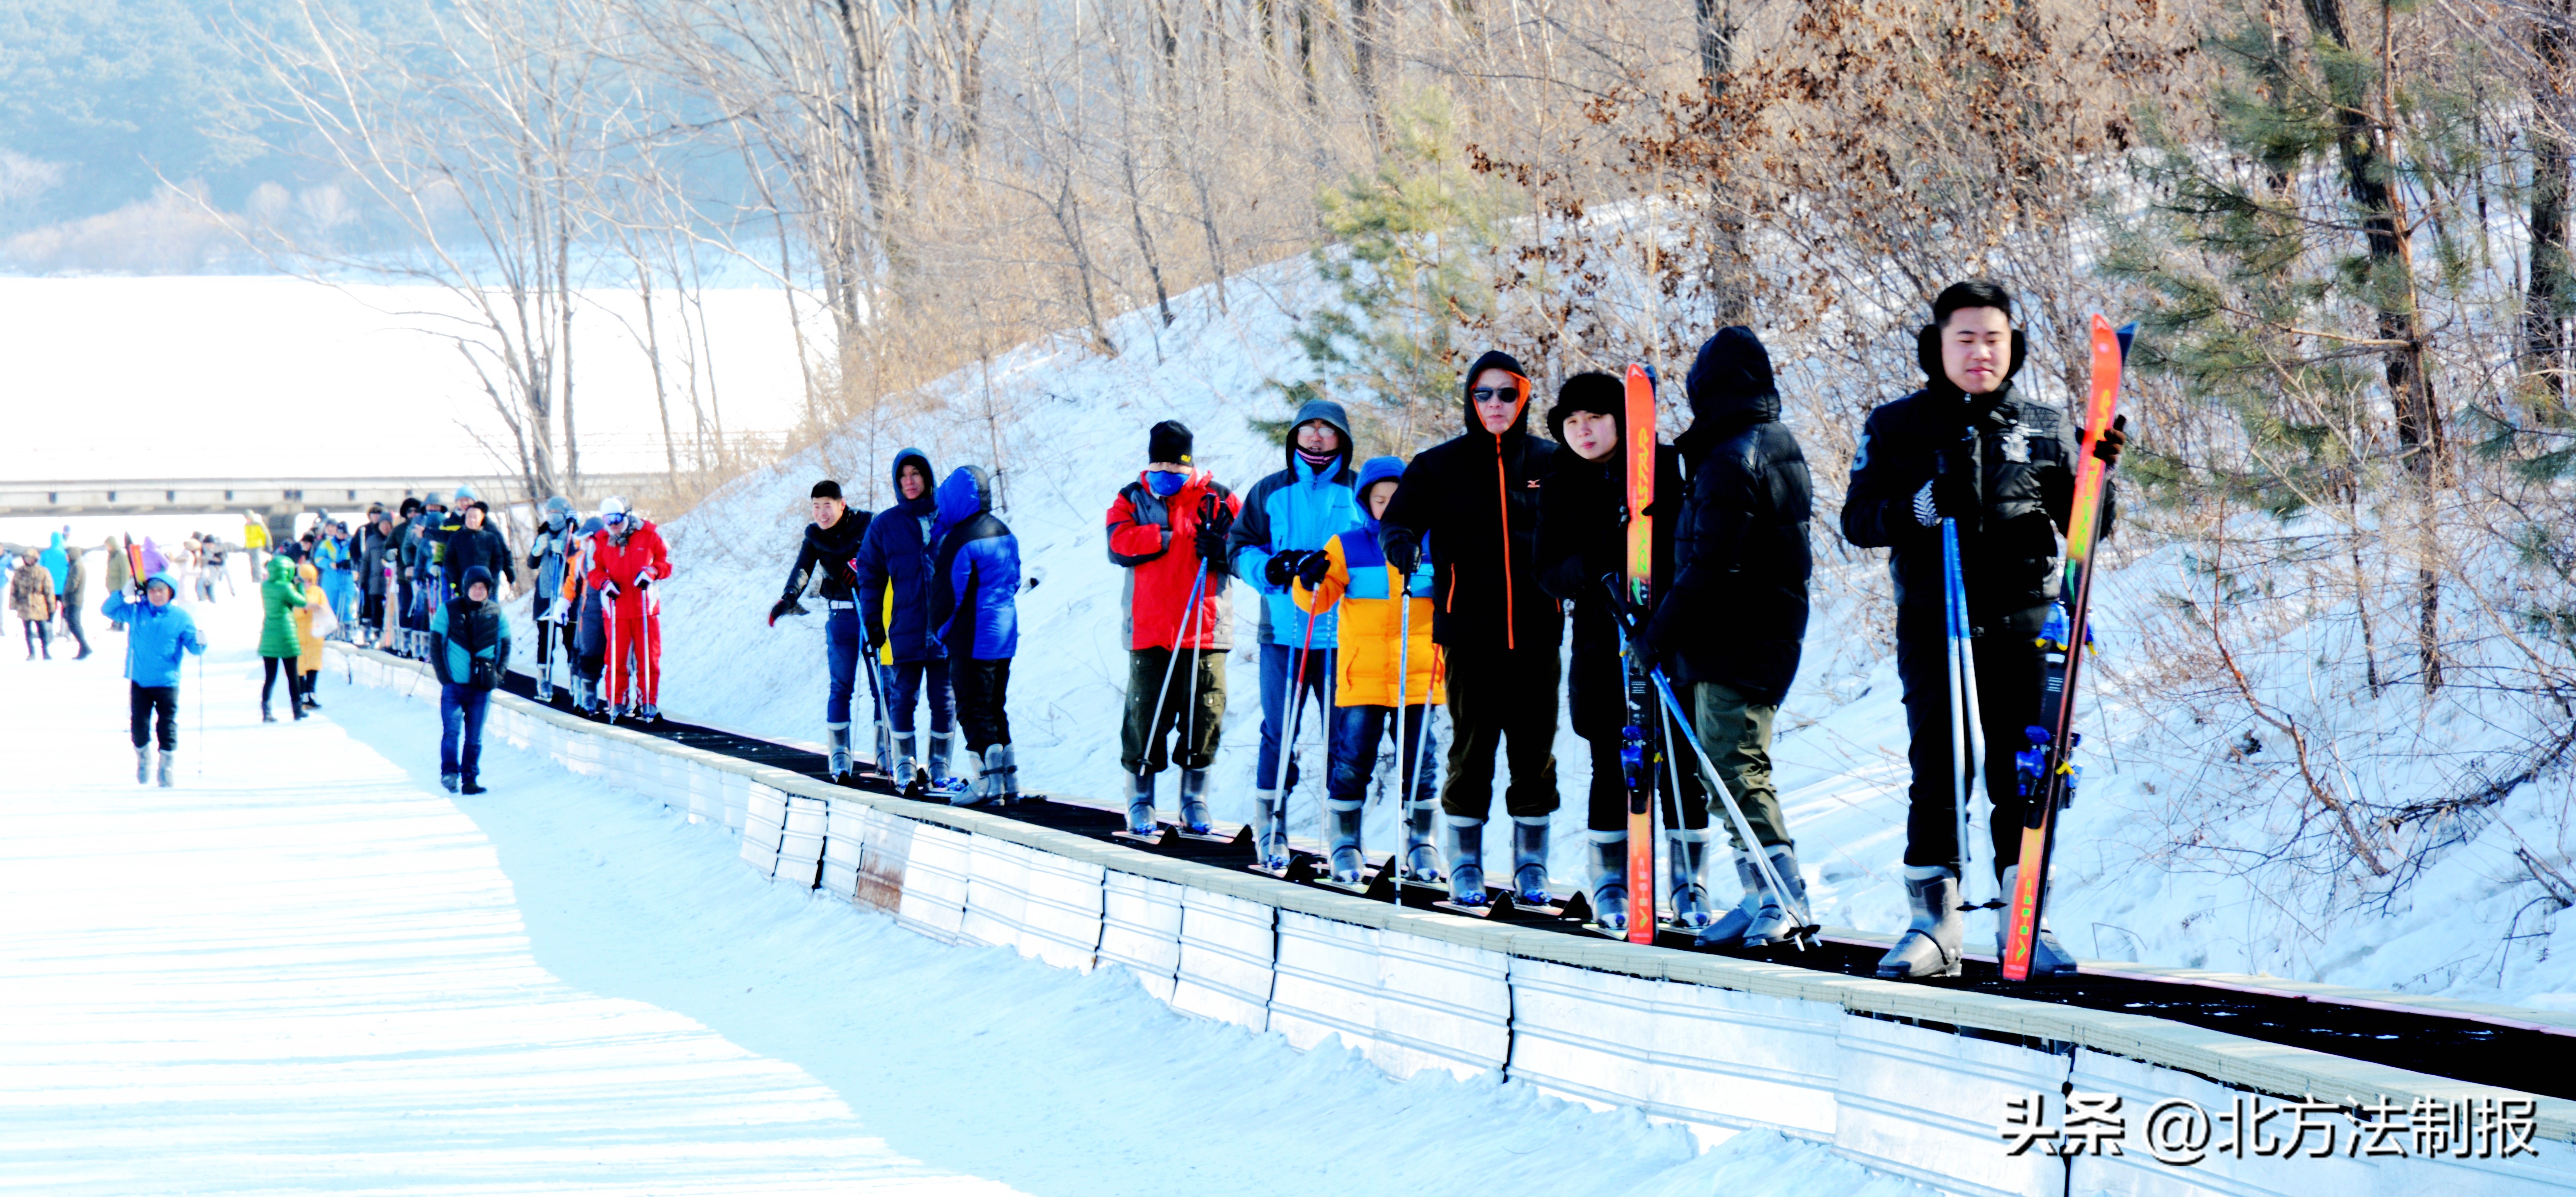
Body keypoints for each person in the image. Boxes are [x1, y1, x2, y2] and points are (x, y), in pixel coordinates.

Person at [1840, 279, 2127, 980]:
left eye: (1993, 339)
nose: (1980, 352)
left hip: (2025, 617)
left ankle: (2025, 917)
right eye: (1965, 338)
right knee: (1937, 768)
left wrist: (2097, 474)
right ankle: (1933, 924)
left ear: (2013, 346)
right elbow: (1858, 519)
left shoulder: (2042, 425)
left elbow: (2091, 527)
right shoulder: (1897, 425)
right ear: (1936, 346)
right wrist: (1920, 505)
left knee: (2024, 771)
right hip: (1936, 619)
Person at [1638, 328, 1819, 946]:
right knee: (1723, 767)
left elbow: (1713, 564)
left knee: (1735, 765)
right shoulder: (1769, 444)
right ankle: (1756, 890)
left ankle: (1782, 894)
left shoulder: (1732, 457)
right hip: (1754, 631)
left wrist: (1656, 633)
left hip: (1738, 635)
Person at [1377, 350, 1564, 906]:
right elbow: (1398, 518)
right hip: (1468, 633)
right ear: (1470, 401)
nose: (1495, 405)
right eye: (1483, 394)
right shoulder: (1440, 465)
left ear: (1523, 397)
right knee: (1472, 749)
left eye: (1506, 393)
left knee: (1534, 751)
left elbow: (1588, 519)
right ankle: (1465, 862)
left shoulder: (1551, 461)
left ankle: (1530, 864)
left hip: (1537, 630)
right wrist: (1402, 545)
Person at [1537, 371, 1710, 931]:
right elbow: (1547, 574)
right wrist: (1595, 560)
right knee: (1612, 765)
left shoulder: (1668, 468)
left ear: (1623, 420)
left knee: (1680, 767)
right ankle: (1612, 881)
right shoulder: (1559, 484)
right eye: (1571, 422)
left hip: (1671, 634)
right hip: (1599, 642)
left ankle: (1689, 884)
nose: (1582, 431)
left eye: (1594, 419)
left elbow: (1697, 541)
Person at [1292, 456, 1444, 884]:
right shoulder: (1348, 546)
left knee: (1421, 761)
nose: (1388, 507)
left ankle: (1422, 843)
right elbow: (1316, 602)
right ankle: (1345, 842)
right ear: (1366, 504)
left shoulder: (1433, 543)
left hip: (1418, 672)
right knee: (1353, 759)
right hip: (1364, 674)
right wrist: (1309, 580)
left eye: (1397, 499)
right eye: (1380, 500)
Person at [1226, 398, 1361, 868]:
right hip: (1283, 632)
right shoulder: (1270, 491)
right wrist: (1270, 566)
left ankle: (1343, 834)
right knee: (1278, 731)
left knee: (1344, 738)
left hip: (1345, 635)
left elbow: (1382, 544)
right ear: (1296, 436)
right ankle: (1271, 824)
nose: (1318, 438)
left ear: (1341, 438)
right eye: (1310, 429)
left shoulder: (1359, 489)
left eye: (1327, 430)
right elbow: (1237, 547)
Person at [1106, 421, 1242, 840]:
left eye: (1176, 462)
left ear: (1190, 460)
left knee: (1205, 714)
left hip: (1204, 628)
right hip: (1150, 628)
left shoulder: (1218, 497)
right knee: (1145, 715)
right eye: (1160, 460)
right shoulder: (1132, 496)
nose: (1168, 469)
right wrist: (1164, 536)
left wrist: (1221, 551)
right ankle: (1141, 798)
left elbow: (1244, 548)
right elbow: (1116, 543)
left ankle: (1194, 797)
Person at [855, 450, 953, 788]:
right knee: (903, 697)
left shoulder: (948, 517)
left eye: (915, 474)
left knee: (945, 699)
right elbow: (869, 576)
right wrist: (872, 621)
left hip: (944, 628)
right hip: (905, 628)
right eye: (903, 476)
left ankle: (940, 764)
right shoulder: (885, 525)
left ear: (927, 478)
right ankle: (905, 764)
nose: (909, 482)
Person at [769, 480, 877, 782]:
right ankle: (840, 755)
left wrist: (861, 566)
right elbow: (802, 569)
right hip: (840, 616)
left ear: (842, 504)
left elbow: (884, 555)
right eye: (816, 507)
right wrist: (789, 597)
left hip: (872, 615)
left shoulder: (867, 523)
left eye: (827, 506)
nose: (821, 513)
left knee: (882, 685)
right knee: (841, 686)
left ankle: (886, 752)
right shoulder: (814, 535)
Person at [930, 466, 1022, 805]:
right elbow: (1013, 580)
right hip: (1005, 633)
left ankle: (986, 784)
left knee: (972, 708)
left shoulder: (960, 539)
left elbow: (948, 594)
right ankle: (1008, 781)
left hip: (972, 635)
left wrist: (940, 631)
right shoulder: (1003, 530)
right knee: (995, 706)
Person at [103, 571, 205, 787]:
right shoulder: (137, 612)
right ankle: (143, 758)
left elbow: (195, 648)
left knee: (166, 725)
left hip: (168, 681)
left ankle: (166, 766)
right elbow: (108, 610)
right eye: (152, 591)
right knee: (139, 725)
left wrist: (201, 641)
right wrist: (123, 593)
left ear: (170, 593)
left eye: (161, 591)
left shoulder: (180, 617)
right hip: (140, 679)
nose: (156, 595)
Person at [586, 496, 672, 723]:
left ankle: (647, 702)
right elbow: (594, 571)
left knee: (649, 658)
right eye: (608, 519)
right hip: (616, 610)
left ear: (625, 515)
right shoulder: (601, 540)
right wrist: (605, 583)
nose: (613, 524)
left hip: (645, 607)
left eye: (616, 518)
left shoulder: (648, 533)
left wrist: (652, 572)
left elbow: (665, 562)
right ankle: (618, 702)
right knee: (616, 659)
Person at [430, 564, 510, 794]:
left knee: (475, 737)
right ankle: (449, 773)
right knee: (452, 732)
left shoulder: (496, 612)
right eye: (474, 586)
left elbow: (505, 644)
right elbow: (436, 643)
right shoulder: (449, 610)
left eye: (483, 587)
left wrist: (499, 673)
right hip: (454, 687)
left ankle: (470, 779)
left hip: (482, 687)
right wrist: (444, 676)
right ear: (467, 587)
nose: (478, 591)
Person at [525, 497, 576, 702]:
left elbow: (579, 562)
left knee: (571, 640)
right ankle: (544, 681)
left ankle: (576, 680)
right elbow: (532, 563)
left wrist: (565, 553)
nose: (553, 516)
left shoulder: (574, 534)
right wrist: (537, 550)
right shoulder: (543, 534)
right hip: (546, 595)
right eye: (550, 512)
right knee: (545, 640)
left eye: (557, 512)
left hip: (567, 596)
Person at [258, 554, 311, 722]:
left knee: (270, 676)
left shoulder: (265, 586)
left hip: (268, 635)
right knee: (292, 675)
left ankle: (266, 711)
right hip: (287, 633)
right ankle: (297, 709)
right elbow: (302, 602)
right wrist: (300, 586)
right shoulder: (287, 588)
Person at [569, 514, 610, 715]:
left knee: (611, 655)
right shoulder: (581, 558)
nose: (582, 543)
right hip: (589, 611)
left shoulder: (610, 553)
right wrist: (565, 602)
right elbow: (572, 583)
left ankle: (618, 698)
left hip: (610, 610)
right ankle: (586, 695)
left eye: (586, 539)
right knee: (587, 651)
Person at [443, 500, 515, 599]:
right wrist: (456, 579)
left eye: (475, 517)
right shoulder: (456, 538)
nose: (472, 520)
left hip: (488, 587)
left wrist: (492, 578)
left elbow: (498, 561)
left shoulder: (491, 538)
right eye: (469, 517)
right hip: (464, 586)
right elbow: (449, 561)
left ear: (482, 518)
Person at [294, 559, 330, 710]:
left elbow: (326, 609)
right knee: (300, 666)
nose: (308, 583)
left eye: (310, 580)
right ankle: (302, 694)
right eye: (305, 580)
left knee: (314, 664)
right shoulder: (295, 592)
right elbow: (294, 611)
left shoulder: (318, 592)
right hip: (300, 635)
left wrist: (320, 609)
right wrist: (306, 608)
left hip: (315, 635)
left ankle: (311, 693)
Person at [357, 506, 396, 647]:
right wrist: (362, 580)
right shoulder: (372, 541)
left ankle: (388, 636)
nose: (386, 527)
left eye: (388, 524)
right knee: (376, 610)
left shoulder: (395, 540)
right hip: (375, 582)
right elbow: (366, 561)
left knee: (390, 609)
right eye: (383, 524)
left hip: (391, 582)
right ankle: (376, 635)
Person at [54, 532, 93, 659]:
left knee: (74, 623)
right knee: (73, 623)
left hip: (74, 600)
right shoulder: (74, 566)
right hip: (73, 600)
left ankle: (85, 646)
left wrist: (66, 595)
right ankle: (84, 647)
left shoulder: (77, 567)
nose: (66, 557)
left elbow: (73, 584)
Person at [12, 553, 56, 660]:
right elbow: (14, 588)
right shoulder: (20, 572)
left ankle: (46, 651)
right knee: (28, 630)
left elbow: (49, 590)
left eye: (31, 558)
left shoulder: (43, 572)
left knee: (42, 630)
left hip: (39, 605)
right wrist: (13, 604)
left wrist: (51, 605)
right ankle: (31, 653)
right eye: (27, 558)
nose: (29, 560)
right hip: (24, 605)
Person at [104, 536, 132, 632]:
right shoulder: (112, 555)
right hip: (112, 586)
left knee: (118, 605)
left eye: (108, 545)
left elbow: (125, 572)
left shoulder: (121, 555)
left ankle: (118, 625)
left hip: (119, 586)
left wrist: (124, 587)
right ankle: (116, 624)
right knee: (114, 605)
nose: (108, 547)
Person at [243, 512, 270, 578]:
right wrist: (245, 546)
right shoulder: (246, 526)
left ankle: (258, 578)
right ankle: (254, 578)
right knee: (252, 564)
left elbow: (266, 535)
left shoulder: (258, 525)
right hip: (250, 547)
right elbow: (247, 537)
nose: (247, 519)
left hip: (257, 546)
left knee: (257, 563)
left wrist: (269, 545)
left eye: (247, 517)